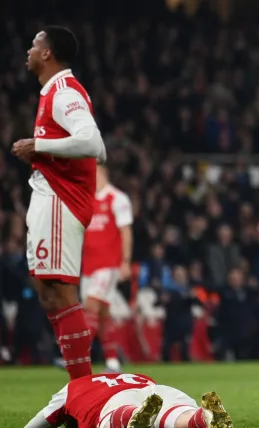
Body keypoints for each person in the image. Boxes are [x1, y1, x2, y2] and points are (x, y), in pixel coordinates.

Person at [11, 25, 107, 380]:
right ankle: (80, 386)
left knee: (60, 292)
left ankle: (83, 388)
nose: (29, 51)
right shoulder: (54, 92)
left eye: (35, 44)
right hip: (51, 195)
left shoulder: (63, 91)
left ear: (48, 53)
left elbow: (92, 143)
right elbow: (99, 148)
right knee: (47, 291)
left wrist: (39, 146)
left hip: (59, 198)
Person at [23, 372, 232, 428]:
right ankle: (202, 418)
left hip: (113, 401)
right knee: (175, 416)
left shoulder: (71, 388)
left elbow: (38, 423)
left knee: (111, 418)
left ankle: (131, 417)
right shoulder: (133, 375)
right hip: (154, 388)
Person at [80, 165, 134, 373]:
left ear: (101, 173)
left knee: (91, 306)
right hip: (88, 267)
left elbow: (125, 231)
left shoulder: (117, 199)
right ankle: (113, 362)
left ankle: (76, 355)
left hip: (108, 266)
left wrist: (126, 261)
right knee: (102, 315)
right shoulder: (86, 200)